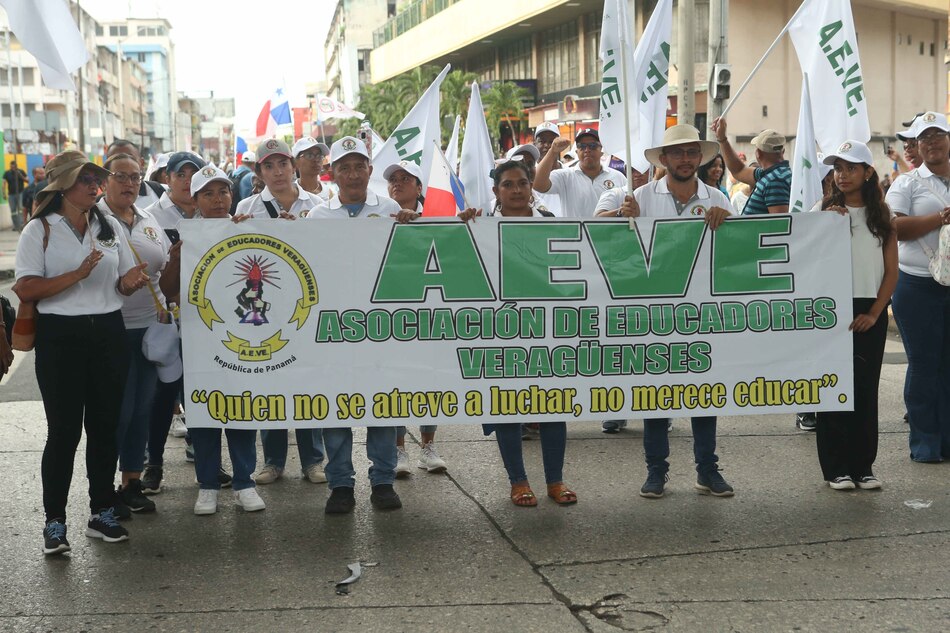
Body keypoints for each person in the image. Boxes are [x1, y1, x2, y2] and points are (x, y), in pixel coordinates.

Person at [14, 150, 149, 555]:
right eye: (85, 180)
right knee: (64, 432)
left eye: (96, 180)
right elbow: (25, 288)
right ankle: (54, 522)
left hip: (108, 331)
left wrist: (132, 281)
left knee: (106, 428)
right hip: (61, 336)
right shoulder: (39, 230)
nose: (95, 186)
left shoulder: (107, 225)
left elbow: (120, 285)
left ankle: (102, 512)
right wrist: (77, 274)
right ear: (62, 187)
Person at [609, 125, 735, 499]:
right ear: (663, 159)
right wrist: (620, 215)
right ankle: (656, 470)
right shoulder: (641, 196)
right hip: (654, 313)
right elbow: (603, 243)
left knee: (704, 393)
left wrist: (726, 223)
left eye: (691, 152)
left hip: (701, 312)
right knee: (656, 394)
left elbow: (734, 254)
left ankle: (707, 469)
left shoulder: (718, 198)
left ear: (701, 157)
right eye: (677, 153)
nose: (685, 159)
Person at [458, 160, 575, 506]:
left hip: (547, 332)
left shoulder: (551, 225)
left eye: (522, 183)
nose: (517, 190)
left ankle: (555, 481)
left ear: (531, 187)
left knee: (552, 406)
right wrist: (462, 227)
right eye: (508, 184)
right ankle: (518, 482)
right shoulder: (481, 227)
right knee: (507, 407)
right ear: (496, 192)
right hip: (502, 332)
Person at [305, 136, 402, 513]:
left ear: (370, 171)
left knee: (382, 404)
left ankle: (383, 481)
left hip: (380, 325)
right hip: (335, 326)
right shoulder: (317, 216)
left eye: (359, 165)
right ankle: (341, 484)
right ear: (333, 174)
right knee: (335, 406)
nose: (352, 173)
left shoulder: (391, 208)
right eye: (344, 167)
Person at [161, 165, 265, 515]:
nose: (217, 200)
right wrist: (176, 259)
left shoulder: (248, 226)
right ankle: (207, 485)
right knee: (204, 411)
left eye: (223, 192)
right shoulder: (184, 235)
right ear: (195, 199)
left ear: (231, 196)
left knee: (242, 408)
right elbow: (168, 291)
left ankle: (244, 482)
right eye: (208, 193)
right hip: (198, 337)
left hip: (243, 334)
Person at [712, 119, 813, 431]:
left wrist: (737, 226)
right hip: (760, 265)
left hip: (766, 267)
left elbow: (776, 226)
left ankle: (805, 405)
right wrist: (723, 140)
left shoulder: (778, 180)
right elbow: (739, 173)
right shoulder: (772, 173)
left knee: (787, 341)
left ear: (759, 151)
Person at [813, 141, 897, 490]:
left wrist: (876, 313)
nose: (843, 175)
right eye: (837, 168)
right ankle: (836, 468)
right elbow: (808, 258)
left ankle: (863, 465)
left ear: (867, 172)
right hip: (831, 307)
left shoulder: (882, 216)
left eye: (851, 168)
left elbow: (891, 272)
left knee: (864, 389)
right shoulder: (824, 209)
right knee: (832, 387)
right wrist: (823, 225)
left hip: (868, 309)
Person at [97, 152, 171, 514]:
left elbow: (166, 265)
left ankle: (131, 482)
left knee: (142, 409)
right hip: (110, 329)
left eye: (135, 177)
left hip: (149, 330)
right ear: (105, 180)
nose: (129, 183)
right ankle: (103, 489)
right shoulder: (93, 219)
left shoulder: (149, 219)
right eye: (121, 176)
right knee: (117, 412)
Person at [886, 111, 950, 463]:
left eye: (938, 134)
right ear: (917, 146)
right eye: (924, 138)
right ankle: (925, 442)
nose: (932, 142)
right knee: (925, 365)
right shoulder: (906, 184)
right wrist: (939, 218)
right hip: (917, 286)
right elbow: (895, 227)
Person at [533, 128, 627, 218]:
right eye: (582, 146)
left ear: (601, 150)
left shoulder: (618, 177)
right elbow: (537, 184)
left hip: (609, 234)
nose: (587, 150)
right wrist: (552, 151)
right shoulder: (565, 176)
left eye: (592, 146)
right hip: (575, 234)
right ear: (576, 151)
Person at [4, 159, 28, 230]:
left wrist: (20, 175)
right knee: (13, 210)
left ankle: (21, 224)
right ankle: (16, 225)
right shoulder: (7, 173)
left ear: (16, 166)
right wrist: (4, 193)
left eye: (14, 167)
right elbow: (4, 183)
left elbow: (27, 180)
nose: (13, 169)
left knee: (21, 208)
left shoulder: (21, 171)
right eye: (11, 167)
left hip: (20, 193)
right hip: (11, 194)